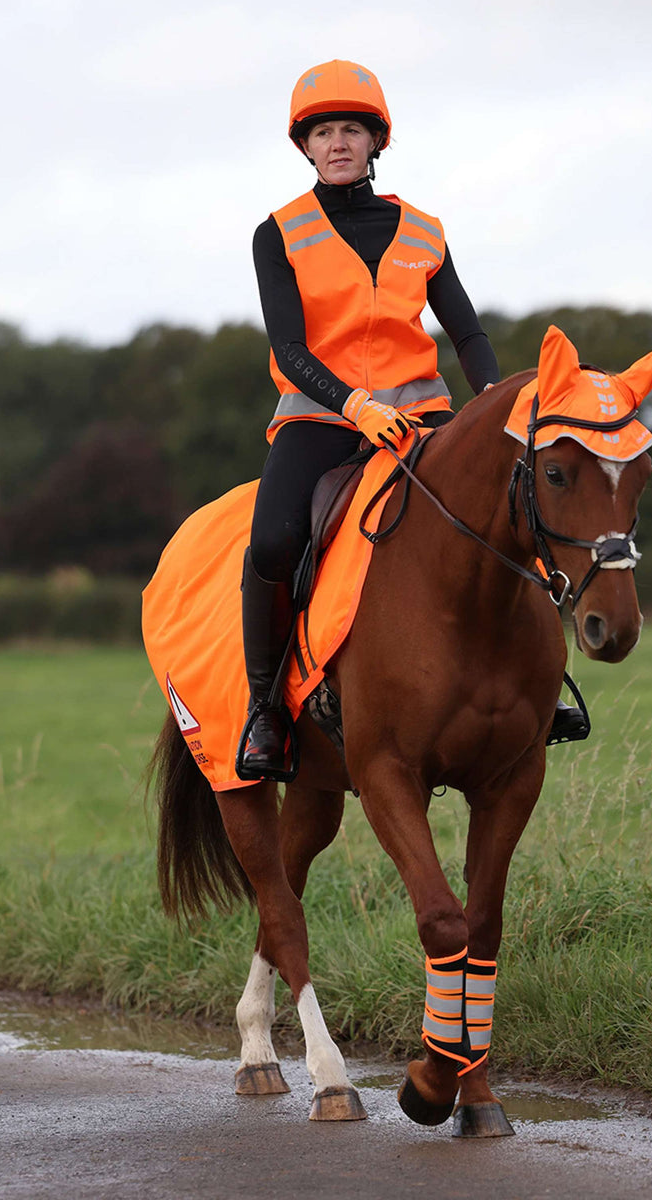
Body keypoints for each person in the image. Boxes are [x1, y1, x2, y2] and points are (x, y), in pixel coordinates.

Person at [238, 59, 580, 780]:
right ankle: (265, 708)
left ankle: (544, 683)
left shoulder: (424, 231)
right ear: (304, 146)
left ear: (376, 141)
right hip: (321, 419)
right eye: (322, 132)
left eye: (351, 130)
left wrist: (495, 400)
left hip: (421, 417)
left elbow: (468, 332)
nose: (337, 143)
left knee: (511, 510)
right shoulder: (278, 233)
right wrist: (353, 405)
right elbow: (289, 348)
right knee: (271, 541)